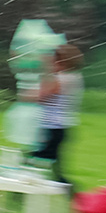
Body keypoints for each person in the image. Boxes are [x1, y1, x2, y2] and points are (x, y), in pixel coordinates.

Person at [31, 43, 85, 187]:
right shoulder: (75, 77)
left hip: (52, 127)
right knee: (54, 166)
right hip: (63, 126)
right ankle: (68, 190)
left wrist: (44, 73)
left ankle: (21, 191)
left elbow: (41, 97)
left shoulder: (60, 79)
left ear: (61, 62)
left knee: (33, 161)